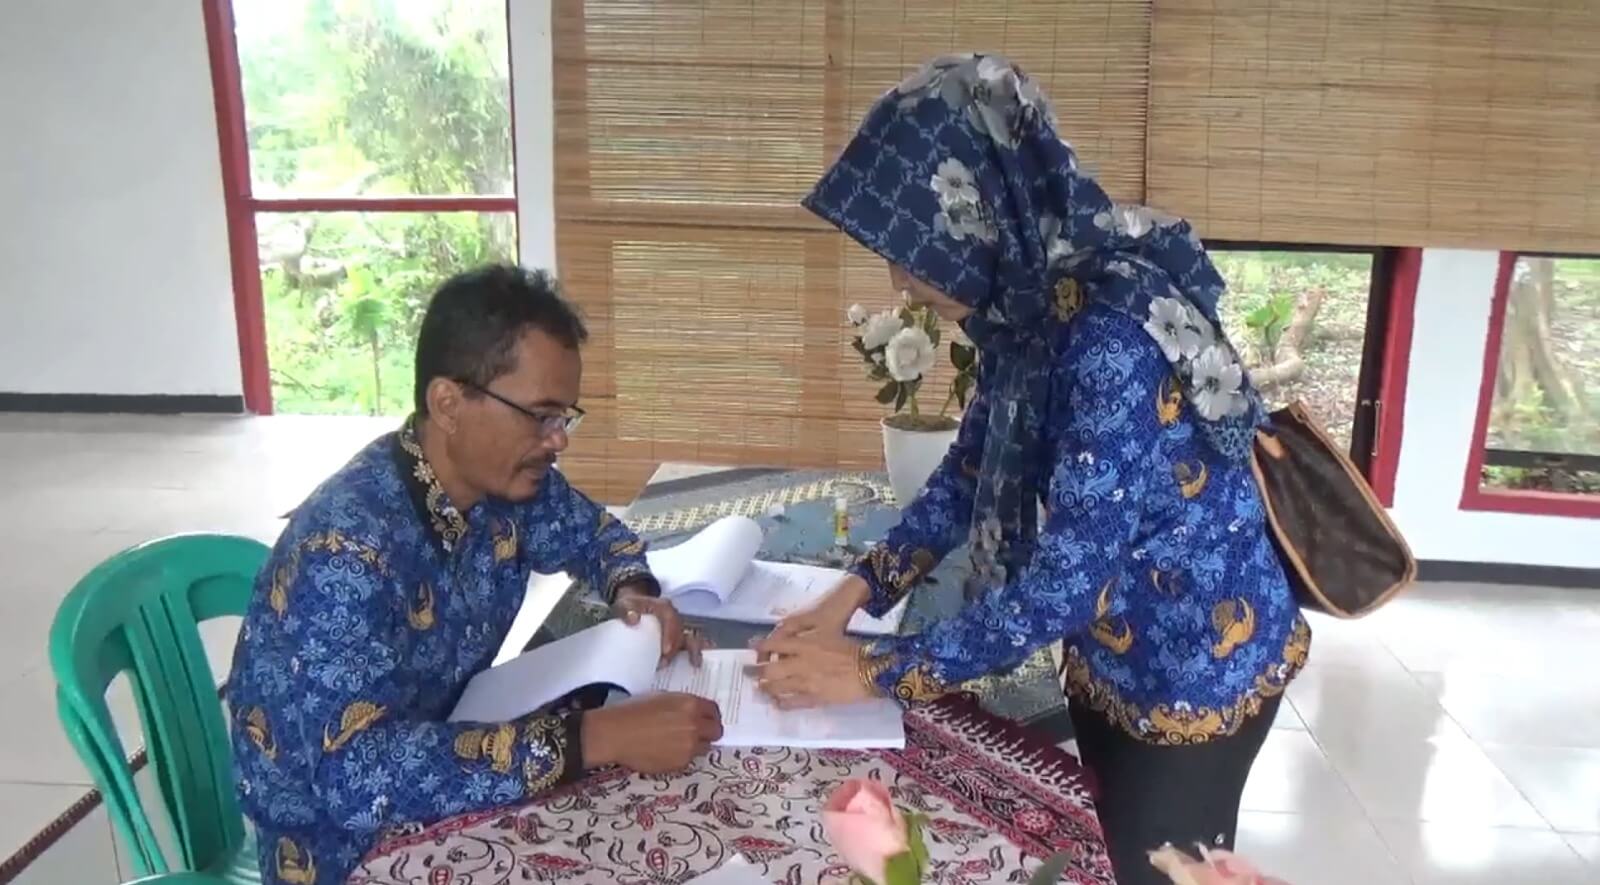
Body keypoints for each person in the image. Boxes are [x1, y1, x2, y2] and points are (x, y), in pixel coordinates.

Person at [754, 56, 1309, 885]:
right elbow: (967, 471)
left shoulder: (1110, 337)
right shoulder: (1028, 303)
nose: (901, 283)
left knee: (1155, 867)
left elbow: (1065, 586)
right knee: (1105, 844)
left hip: (1195, 661)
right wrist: (851, 595)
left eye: (912, 249)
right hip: (1115, 643)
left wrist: (872, 670)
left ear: (981, 208)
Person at [227, 265, 721, 885]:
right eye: (540, 416)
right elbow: (356, 778)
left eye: (565, 417)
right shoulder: (345, 552)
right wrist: (589, 738)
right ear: (449, 404)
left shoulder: (503, 482)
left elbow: (595, 536)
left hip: (447, 753)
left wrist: (634, 593)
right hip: (342, 846)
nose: (559, 441)